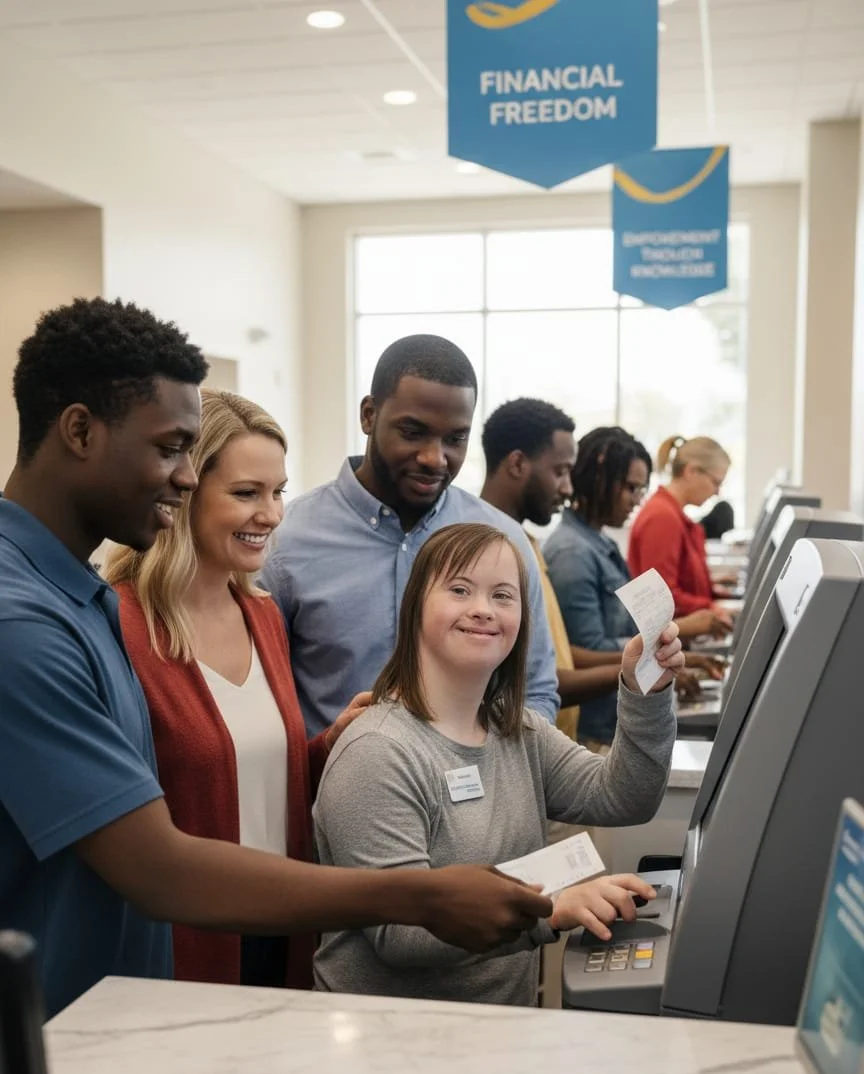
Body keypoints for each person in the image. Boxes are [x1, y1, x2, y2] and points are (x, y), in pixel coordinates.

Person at [0, 298, 553, 1019]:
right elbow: (159, 865)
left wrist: (331, 752)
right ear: (79, 430)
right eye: (170, 449)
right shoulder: (26, 623)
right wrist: (420, 894)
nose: (188, 477)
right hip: (65, 1023)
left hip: (138, 1002)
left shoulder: (84, 599)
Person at [313, 522, 683, 1006]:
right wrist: (548, 912)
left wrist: (645, 692)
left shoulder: (517, 731)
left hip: (496, 1034)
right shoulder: (377, 751)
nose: (483, 610)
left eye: (503, 596)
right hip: (391, 1045)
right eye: (460, 589)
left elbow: (624, 797)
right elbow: (400, 935)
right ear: (415, 608)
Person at [105, 390, 369, 990]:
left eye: (278, 492)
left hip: (282, 919)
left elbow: (249, 775)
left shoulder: (262, 616)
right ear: (184, 491)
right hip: (187, 941)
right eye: (247, 493)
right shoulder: (119, 624)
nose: (273, 515)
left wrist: (330, 746)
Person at [260, 335, 559, 737]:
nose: (435, 458)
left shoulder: (503, 540)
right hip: (334, 792)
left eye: (455, 439)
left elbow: (535, 691)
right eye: (413, 432)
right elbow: (266, 704)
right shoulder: (287, 541)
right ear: (369, 415)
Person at [544, 428, 727, 749]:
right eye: (631, 488)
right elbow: (585, 652)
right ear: (599, 479)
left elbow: (627, 627)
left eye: (641, 488)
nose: (638, 499)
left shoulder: (598, 541)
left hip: (615, 716)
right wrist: (659, 655)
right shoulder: (572, 553)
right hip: (595, 730)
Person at [479, 398, 620, 744]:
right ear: (517, 463)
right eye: (560, 471)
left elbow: (558, 657)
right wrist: (632, 671)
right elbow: (530, 681)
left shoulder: (526, 541)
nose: (568, 488)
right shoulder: (485, 550)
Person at [628, 435, 737, 618]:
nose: (717, 492)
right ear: (691, 471)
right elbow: (662, 599)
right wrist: (711, 607)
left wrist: (710, 588)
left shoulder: (672, 513)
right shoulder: (662, 518)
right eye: (716, 482)